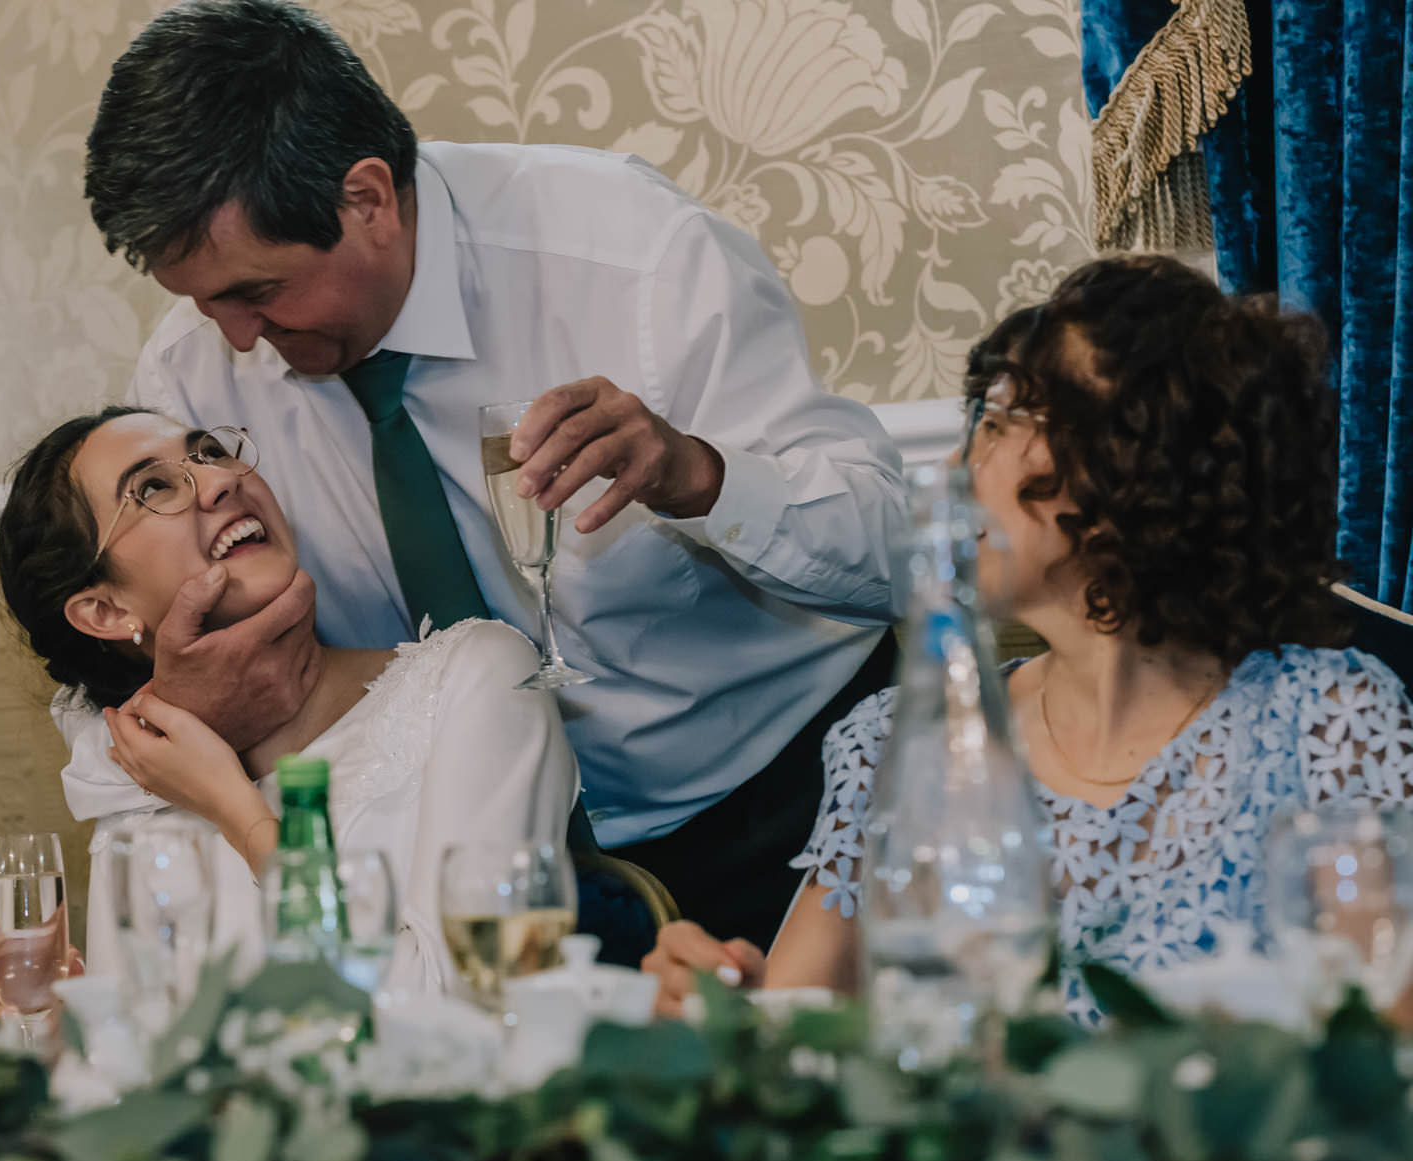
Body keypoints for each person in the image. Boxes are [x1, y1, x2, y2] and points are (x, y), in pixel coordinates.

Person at [67, 0, 907, 947]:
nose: (235, 339)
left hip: (783, 818)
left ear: (370, 200)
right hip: (451, 870)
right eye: (205, 303)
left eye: (258, 293)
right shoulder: (192, 370)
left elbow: (895, 554)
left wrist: (699, 475)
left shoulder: (632, 258)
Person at [642, 254, 1413, 1023]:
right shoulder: (892, 745)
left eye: (1003, 421)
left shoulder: (1329, 721)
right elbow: (800, 1043)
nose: (952, 466)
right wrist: (731, 1016)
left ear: (1138, 467)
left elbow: (1384, 1061)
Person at [0, 407, 576, 997]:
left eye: (211, 452)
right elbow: (157, 1074)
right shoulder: (133, 778)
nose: (223, 479)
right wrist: (61, 1019)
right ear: (106, 611)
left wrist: (233, 807)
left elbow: (468, 1003)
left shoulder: (479, 676)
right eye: (153, 488)